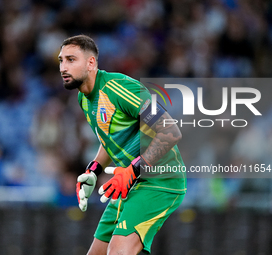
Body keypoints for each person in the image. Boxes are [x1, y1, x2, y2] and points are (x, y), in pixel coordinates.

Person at [58, 35, 186, 255]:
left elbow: (170, 131)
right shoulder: (84, 98)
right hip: (130, 183)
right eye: (60, 60)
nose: (63, 67)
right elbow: (108, 140)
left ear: (91, 63)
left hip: (160, 180)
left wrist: (135, 168)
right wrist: (93, 170)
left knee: (118, 251)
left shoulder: (118, 88)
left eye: (71, 59)